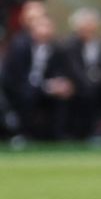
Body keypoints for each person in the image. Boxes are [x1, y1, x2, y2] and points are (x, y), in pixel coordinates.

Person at [2, 11, 79, 141]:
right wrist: (44, 87)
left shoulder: (56, 48)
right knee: (28, 95)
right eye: (41, 27)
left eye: (48, 27)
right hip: (19, 88)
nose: (45, 31)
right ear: (32, 30)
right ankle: (23, 133)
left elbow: (60, 71)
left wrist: (60, 84)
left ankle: (57, 134)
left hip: (44, 87)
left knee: (63, 95)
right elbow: (17, 77)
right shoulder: (20, 45)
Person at [62, 7, 101, 138]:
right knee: (89, 90)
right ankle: (90, 129)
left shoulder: (99, 44)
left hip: (98, 82)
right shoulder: (70, 45)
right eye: (86, 25)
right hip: (79, 84)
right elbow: (76, 71)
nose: (90, 28)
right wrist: (100, 78)